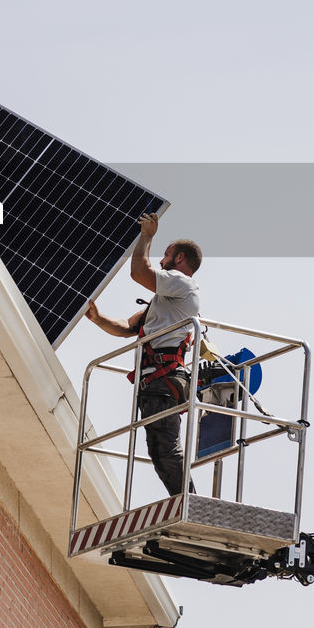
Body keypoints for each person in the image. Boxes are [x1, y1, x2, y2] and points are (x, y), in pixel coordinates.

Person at [85, 212, 202, 497]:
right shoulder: (163, 302)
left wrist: (146, 236)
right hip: (155, 382)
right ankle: (186, 501)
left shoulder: (182, 284)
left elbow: (139, 272)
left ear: (179, 260)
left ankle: (189, 502)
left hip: (163, 379)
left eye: (166, 256)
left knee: (164, 449)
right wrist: (98, 318)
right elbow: (128, 328)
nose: (161, 261)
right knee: (160, 449)